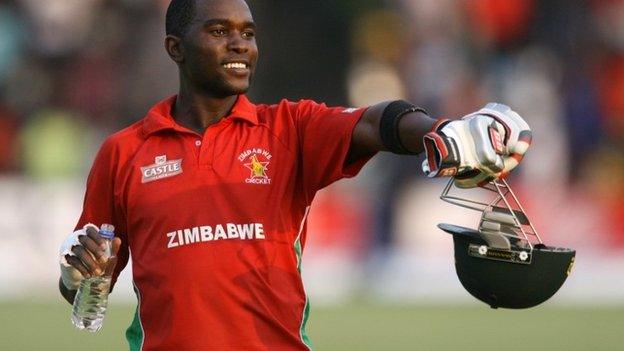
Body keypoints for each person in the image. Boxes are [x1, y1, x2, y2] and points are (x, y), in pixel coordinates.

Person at [58, 0, 531, 350]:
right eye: (220, 30)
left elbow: (374, 121)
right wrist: (78, 271)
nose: (240, 43)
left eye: (248, 32)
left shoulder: (288, 129)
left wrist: (442, 130)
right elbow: (82, 285)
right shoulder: (123, 153)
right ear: (175, 48)